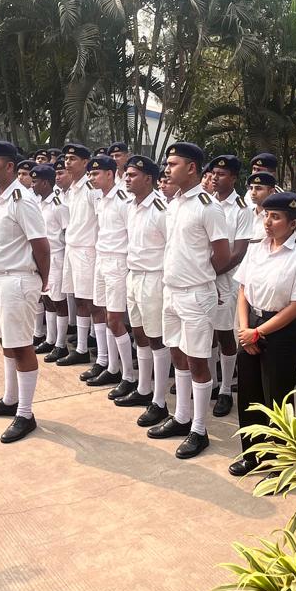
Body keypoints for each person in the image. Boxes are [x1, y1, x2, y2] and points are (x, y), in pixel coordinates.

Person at [150, 141, 230, 459]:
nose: (167, 169)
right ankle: (182, 417)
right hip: (171, 290)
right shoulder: (174, 203)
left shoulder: (207, 207)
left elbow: (222, 254)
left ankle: (199, 429)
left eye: (173, 164)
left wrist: (200, 276)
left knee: (197, 360)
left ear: (192, 168)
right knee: (177, 353)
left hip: (196, 293)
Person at [231, 192, 296, 477]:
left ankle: (282, 463)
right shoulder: (256, 248)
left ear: (293, 223)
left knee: (278, 399)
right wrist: (246, 330)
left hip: (279, 329)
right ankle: (252, 455)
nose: (268, 222)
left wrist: (257, 332)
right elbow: (243, 289)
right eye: (266, 215)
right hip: (251, 323)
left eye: (276, 217)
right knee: (249, 394)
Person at [0, 142, 50, 444]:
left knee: (21, 346)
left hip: (17, 280)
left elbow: (41, 244)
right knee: (6, 341)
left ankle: (26, 414)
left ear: (9, 166)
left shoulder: (22, 199)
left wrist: (43, 280)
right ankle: (10, 399)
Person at [116, 155, 172, 427]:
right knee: (139, 334)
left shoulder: (161, 209)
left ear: (148, 178)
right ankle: (143, 388)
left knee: (156, 338)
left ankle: (159, 401)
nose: (127, 179)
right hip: (134, 275)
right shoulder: (131, 206)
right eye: (126, 175)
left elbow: (172, 246)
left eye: (132, 175)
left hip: (154, 278)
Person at [209, 154, 254, 416]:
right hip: (204, 276)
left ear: (234, 178)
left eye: (222, 174)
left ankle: (226, 389)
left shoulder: (241, 209)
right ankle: (212, 384)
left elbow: (238, 252)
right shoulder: (207, 202)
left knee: (225, 334)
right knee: (207, 333)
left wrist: (211, 272)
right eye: (213, 173)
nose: (215, 178)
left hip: (225, 279)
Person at [87, 154, 133, 389]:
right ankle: (112, 367)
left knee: (115, 320)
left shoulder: (123, 199)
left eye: (96, 173)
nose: (91, 178)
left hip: (118, 261)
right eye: (90, 173)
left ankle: (129, 375)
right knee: (105, 315)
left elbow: (132, 234)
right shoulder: (100, 198)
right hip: (102, 259)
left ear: (109, 174)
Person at [57, 143, 99, 367]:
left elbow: (102, 220)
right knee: (79, 299)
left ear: (85, 162)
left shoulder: (91, 188)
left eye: (73, 159)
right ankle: (81, 348)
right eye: (66, 158)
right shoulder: (71, 189)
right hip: (72, 248)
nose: (68, 162)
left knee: (93, 303)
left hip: (87, 250)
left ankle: (102, 356)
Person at [32, 163, 69, 355]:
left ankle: (61, 344)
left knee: (58, 301)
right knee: (46, 299)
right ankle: (50, 339)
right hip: (43, 257)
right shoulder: (38, 203)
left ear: (45, 183)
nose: (32, 185)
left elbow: (67, 231)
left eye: (35, 181)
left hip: (56, 256)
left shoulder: (58, 205)